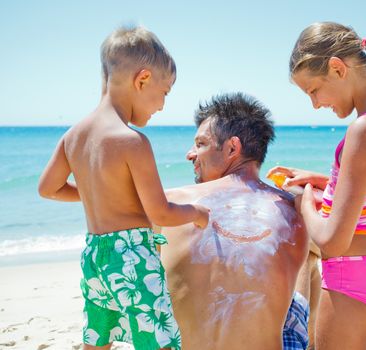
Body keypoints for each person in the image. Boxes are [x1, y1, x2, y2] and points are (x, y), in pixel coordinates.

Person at [38, 26, 209, 350]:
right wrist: (197, 213)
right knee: (157, 342)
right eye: (165, 92)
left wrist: (94, 194)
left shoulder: (73, 136)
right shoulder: (132, 141)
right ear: (142, 79)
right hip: (133, 259)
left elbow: (48, 188)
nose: (161, 105)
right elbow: (160, 211)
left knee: (97, 338)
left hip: (94, 259)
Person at [269, 22, 366, 349]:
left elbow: (331, 242)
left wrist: (304, 201)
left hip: (352, 280)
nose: (314, 104)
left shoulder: (364, 130)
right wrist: (322, 181)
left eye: (313, 90)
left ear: (338, 68)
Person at [159, 93, 309, 350]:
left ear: (232, 148)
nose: (190, 154)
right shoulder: (296, 212)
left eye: (200, 143)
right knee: (310, 266)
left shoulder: (170, 206)